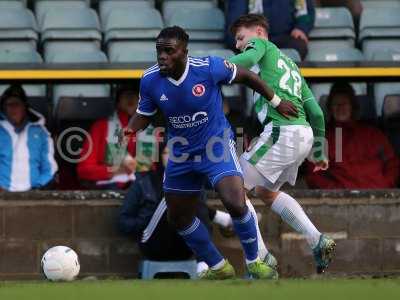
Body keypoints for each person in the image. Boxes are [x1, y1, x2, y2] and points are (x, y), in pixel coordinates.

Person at [124, 26, 298, 280]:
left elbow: (248, 76)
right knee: (179, 218)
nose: (162, 56)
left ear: (184, 52)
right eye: (159, 51)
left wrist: (277, 102)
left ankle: (254, 261)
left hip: (215, 147)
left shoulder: (209, 68)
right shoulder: (150, 79)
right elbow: (144, 113)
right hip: (181, 153)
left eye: (168, 51)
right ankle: (218, 266)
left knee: (236, 203)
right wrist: (130, 129)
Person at [229, 14, 335, 275]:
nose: (239, 45)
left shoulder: (262, 46)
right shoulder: (291, 65)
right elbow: (317, 113)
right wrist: (320, 150)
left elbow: (245, 61)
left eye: (241, 38)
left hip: (282, 132)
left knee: (234, 190)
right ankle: (316, 239)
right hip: (304, 134)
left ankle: (261, 259)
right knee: (266, 193)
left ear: (259, 32)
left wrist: (210, 67)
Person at [119, 145, 233, 274]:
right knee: (173, 196)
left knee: (188, 190)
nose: (172, 157)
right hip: (152, 244)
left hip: (184, 247)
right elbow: (124, 222)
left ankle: (202, 262)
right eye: (167, 153)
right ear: (160, 157)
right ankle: (222, 218)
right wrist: (147, 220)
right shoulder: (144, 182)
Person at [306, 82, 399, 189]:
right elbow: (313, 174)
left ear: (352, 106)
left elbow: (392, 163)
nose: (340, 108)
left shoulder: (373, 134)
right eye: (336, 104)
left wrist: (385, 184)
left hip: (378, 196)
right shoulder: (323, 139)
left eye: (344, 103)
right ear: (330, 108)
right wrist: (334, 191)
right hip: (340, 201)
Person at [77, 84, 139, 190]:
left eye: (134, 95)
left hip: (143, 188)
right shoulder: (101, 127)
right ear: (117, 102)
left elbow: (156, 169)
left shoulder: (150, 129)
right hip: (110, 187)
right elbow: (84, 169)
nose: (130, 99)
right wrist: (114, 170)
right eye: (126, 95)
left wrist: (137, 168)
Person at [0, 84, 57, 192]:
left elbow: (49, 168)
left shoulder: (40, 132)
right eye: (9, 105)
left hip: (33, 195)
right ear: (3, 108)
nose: (13, 108)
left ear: (25, 107)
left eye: (17, 104)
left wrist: (37, 188)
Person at [225, 0, 315, 60]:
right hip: (255, 39)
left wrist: (301, 28)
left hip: (285, 37)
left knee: (298, 45)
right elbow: (235, 23)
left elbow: (306, 14)